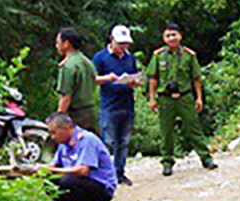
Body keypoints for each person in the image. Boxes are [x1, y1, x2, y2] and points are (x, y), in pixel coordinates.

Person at [147, 22, 217, 176]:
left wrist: (199, 98)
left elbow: (196, 78)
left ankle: (206, 158)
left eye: (174, 35)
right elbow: (153, 78)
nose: (171, 38)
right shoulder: (158, 56)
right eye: (168, 35)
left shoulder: (188, 55)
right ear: (164, 38)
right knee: (166, 131)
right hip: (165, 98)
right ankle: (167, 162)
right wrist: (151, 99)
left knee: (193, 128)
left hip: (185, 96)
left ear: (180, 36)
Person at [39, 112, 117, 201]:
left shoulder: (86, 140)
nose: (52, 137)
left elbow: (83, 171)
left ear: (65, 128)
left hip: (100, 186)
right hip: (82, 183)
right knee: (49, 181)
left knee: (68, 179)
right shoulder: (63, 145)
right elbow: (53, 165)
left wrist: (53, 170)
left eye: (54, 133)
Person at [93, 25, 140, 187]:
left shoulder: (130, 58)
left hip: (127, 103)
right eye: (120, 44)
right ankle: (104, 173)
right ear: (111, 40)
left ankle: (120, 172)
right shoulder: (100, 58)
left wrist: (135, 82)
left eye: (126, 44)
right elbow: (92, 78)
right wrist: (108, 78)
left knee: (124, 141)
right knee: (107, 141)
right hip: (109, 106)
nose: (123, 47)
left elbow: (135, 74)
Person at [55, 27, 98, 133]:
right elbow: (95, 79)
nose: (56, 46)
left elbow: (66, 97)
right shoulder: (86, 62)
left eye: (58, 42)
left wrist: (58, 119)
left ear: (66, 44)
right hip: (89, 112)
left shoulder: (68, 66)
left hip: (75, 115)